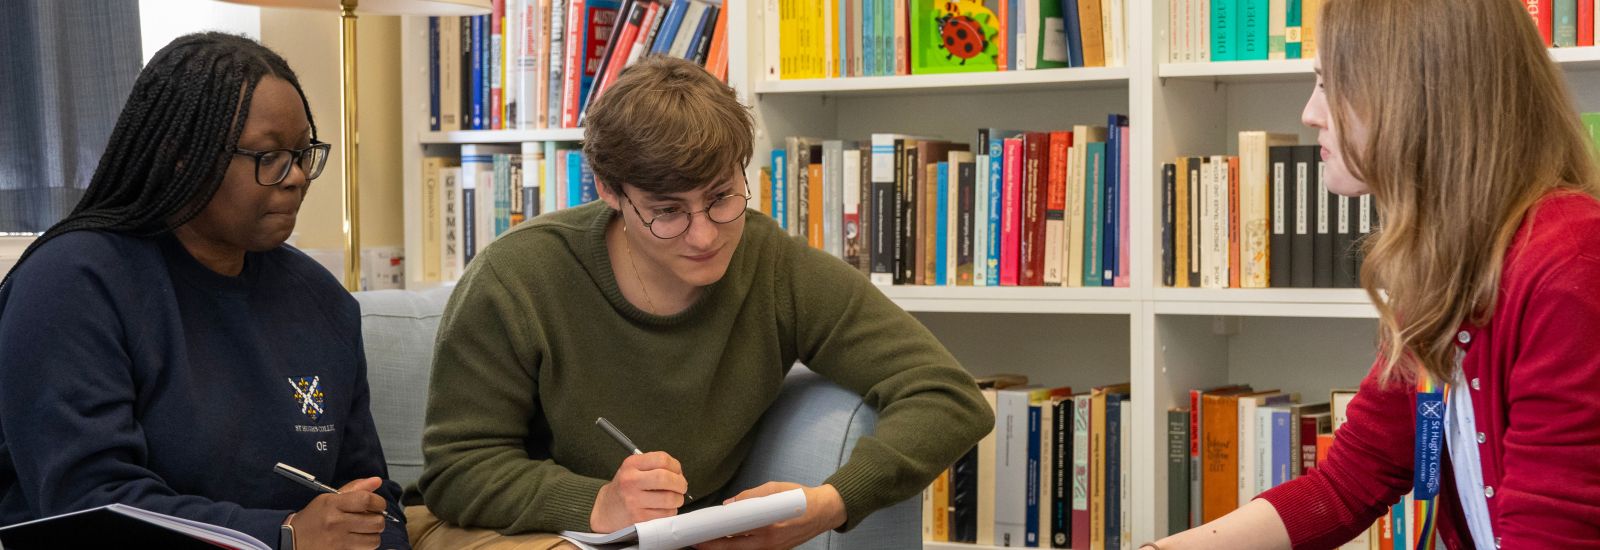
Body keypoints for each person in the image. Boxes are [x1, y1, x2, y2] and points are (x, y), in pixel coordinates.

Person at [405, 55, 993, 550]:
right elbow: (457, 470)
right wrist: (600, 503)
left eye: (721, 198)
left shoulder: (772, 265)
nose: (706, 235)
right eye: (667, 212)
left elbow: (946, 393)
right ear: (610, 191)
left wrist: (831, 501)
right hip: (506, 532)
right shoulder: (518, 276)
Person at [1149, 0, 1600, 548]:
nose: (1310, 113)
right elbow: (1347, 484)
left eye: (1330, 83)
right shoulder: (1446, 265)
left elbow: (1553, 532)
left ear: (1418, 93)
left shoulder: (1572, 263)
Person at [0, 33, 408, 550]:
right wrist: (284, 536)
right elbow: (90, 504)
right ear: (180, 156)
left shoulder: (320, 300)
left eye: (303, 153)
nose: (298, 177)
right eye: (270, 156)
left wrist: (366, 523)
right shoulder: (73, 283)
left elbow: (372, 496)